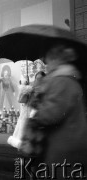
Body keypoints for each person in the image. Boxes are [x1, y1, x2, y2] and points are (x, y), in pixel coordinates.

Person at [26, 40, 87, 179]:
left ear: (56, 59)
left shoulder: (62, 81)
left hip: (64, 149)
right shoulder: (67, 80)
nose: (46, 64)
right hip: (67, 146)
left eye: (47, 59)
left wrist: (35, 116)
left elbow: (51, 114)